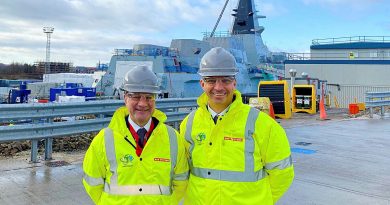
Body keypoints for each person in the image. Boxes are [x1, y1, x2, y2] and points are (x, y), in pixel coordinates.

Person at [180, 47, 294, 205]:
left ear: (234, 82)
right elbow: (181, 172)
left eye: (225, 80)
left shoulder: (261, 124)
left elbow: (282, 174)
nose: (218, 87)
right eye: (211, 80)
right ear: (202, 83)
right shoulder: (189, 123)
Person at [82, 65, 188, 205]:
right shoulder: (104, 139)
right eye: (136, 96)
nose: (143, 103)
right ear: (125, 97)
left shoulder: (173, 139)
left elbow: (181, 182)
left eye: (149, 97)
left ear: (155, 99)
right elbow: (92, 183)